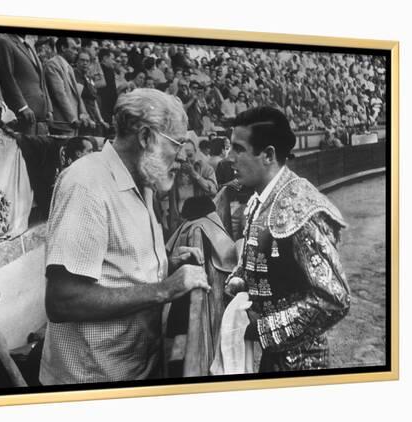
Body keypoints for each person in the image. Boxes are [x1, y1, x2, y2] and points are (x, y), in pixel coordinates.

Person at [39, 89, 210, 385]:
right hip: (90, 383)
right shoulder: (87, 185)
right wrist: (165, 289)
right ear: (145, 137)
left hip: (135, 368)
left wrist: (166, 264)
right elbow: (63, 301)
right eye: (177, 143)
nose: (182, 156)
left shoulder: (142, 179)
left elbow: (118, 269)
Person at [225, 106, 351, 372]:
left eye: (238, 149)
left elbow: (334, 297)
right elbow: (265, 259)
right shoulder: (262, 199)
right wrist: (240, 278)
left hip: (304, 362)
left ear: (268, 155)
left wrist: (263, 329)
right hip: (275, 357)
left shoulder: (301, 207)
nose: (228, 157)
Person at [0, 33, 53, 135]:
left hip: (41, 117)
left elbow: (41, 81)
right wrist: (22, 107)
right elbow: (7, 76)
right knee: (24, 150)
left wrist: (49, 109)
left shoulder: (28, 45)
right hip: (24, 115)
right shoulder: (4, 42)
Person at [44, 37, 91, 136]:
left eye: (77, 50)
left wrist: (83, 114)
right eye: (73, 49)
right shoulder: (53, 64)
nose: (76, 52)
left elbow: (77, 95)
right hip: (63, 122)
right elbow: (60, 94)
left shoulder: (69, 67)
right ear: (63, 48)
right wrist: (72, 118)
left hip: (72, 123)